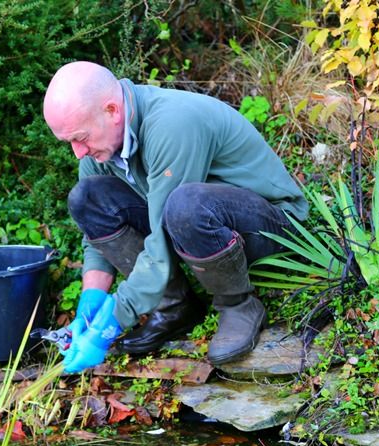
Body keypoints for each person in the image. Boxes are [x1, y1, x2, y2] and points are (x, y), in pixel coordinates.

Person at [42, 61, 309, 374]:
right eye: (69, 142)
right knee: (86, 196)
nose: (77, 151)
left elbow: (163, 235)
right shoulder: (100, 149)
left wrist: (113, 321)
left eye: (80, 137)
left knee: (185, 205)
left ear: (112, 110)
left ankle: (237, 303)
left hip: (271, 227)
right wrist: (90, 304)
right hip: (199, 227)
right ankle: (174, 306)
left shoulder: (171, 124)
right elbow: (96, 235)